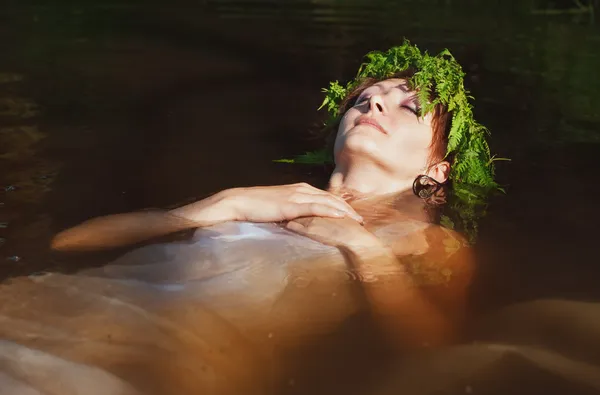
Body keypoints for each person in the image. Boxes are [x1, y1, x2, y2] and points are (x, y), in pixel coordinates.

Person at [0, 40, 498, 395]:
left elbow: (431, 349)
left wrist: (361, 246)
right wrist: (224, 205)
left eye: (408, 106)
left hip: (167, 361)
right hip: (56, 306)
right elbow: (69, 243)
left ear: (439, 168)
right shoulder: (265, 197)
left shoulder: (426, 242)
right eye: (365, 99)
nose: (374, 104)